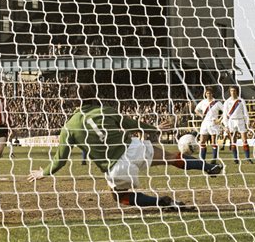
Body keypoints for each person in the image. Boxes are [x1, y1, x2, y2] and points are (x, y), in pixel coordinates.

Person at [27, 85, 223, 211]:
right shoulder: (105, 110)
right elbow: (130, 124)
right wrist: (153, 128)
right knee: (171, 157)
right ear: (94, 96)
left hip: (117, 168)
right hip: (133, 149)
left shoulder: (69, 127)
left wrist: (44, 172)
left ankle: (161, 202)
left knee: (120, 197)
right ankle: (208, 167)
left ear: (72, 102)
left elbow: (61, 159)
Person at [222, 85, 252, 164]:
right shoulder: (227, 102)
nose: (233, 92)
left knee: (244, 140)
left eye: (234, 91)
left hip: (240, 121)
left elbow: (245, 113)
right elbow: (225, 114)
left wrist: (247, 123)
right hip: (231, 122)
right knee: (233, 140)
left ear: (237, 91)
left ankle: (247, 158)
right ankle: (235, 158)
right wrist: (226, 125)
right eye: (231, 91)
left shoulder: (241, 101)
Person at [194, 87, 224, 164]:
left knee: (213, 142)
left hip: (213, 123)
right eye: (207, 93)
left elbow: (225, 111)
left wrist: (219, 120)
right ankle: (202, 160)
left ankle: (214, 159)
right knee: (202, 141)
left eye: (210, 93)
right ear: (205, 94)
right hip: (204, 123)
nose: (208, 95)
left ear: (212, 94)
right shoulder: (203, 102)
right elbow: (196, 110)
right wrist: (201, 115)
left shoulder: (217, 103)